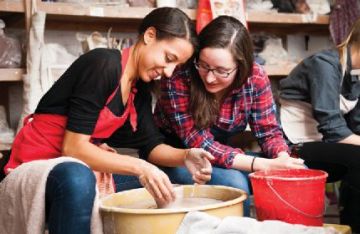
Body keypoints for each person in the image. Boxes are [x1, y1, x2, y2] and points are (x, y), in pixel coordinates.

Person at [0, 7, 214, 234]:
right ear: (149, 36)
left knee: (170, 179)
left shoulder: (138, 88)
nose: (169, 72)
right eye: (168, 58)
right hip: (36, 165)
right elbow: (73, 148)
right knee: (79, 177)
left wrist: (186, 155)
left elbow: (150, 146)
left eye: (176, 66)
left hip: (78, 166)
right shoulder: (103, 64)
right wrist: (140, 167)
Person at [154, 15, 305, 216]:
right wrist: (263, 165)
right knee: (234, 183)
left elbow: (269, 132)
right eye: (204, 65)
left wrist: (282, 159)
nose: (209, 77)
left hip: (224, 155)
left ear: (240, 67)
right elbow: (200, 143)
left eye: (221, 71)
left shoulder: (255, 77)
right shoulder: (179, 75)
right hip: (178, 155)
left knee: (299, 172)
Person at [279, 17, 360, 232]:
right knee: (358, 159)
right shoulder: (325, 64)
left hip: (326, 145)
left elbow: (356, 127)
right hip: (293, 149)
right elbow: (333, 130)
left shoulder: (357, 74)